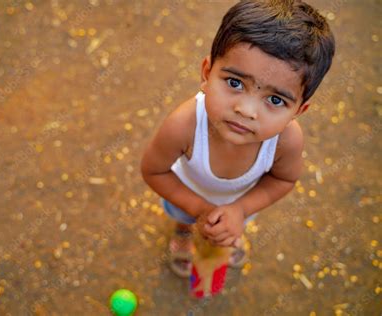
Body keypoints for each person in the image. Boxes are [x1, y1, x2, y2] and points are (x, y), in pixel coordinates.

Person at [140, 0, 335, 278]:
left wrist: (239, 211)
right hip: (184, 197)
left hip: (241, 205)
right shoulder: (184, 125)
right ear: (207, 73)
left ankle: (231, 230)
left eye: (275, 99)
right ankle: (184, 232)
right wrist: (200, 210)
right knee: (183, 219)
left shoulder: (285, 141)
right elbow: (153, 170)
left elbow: (283, 179)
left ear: (298, 111)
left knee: (229, 225)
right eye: (234, 83)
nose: (246, 110)